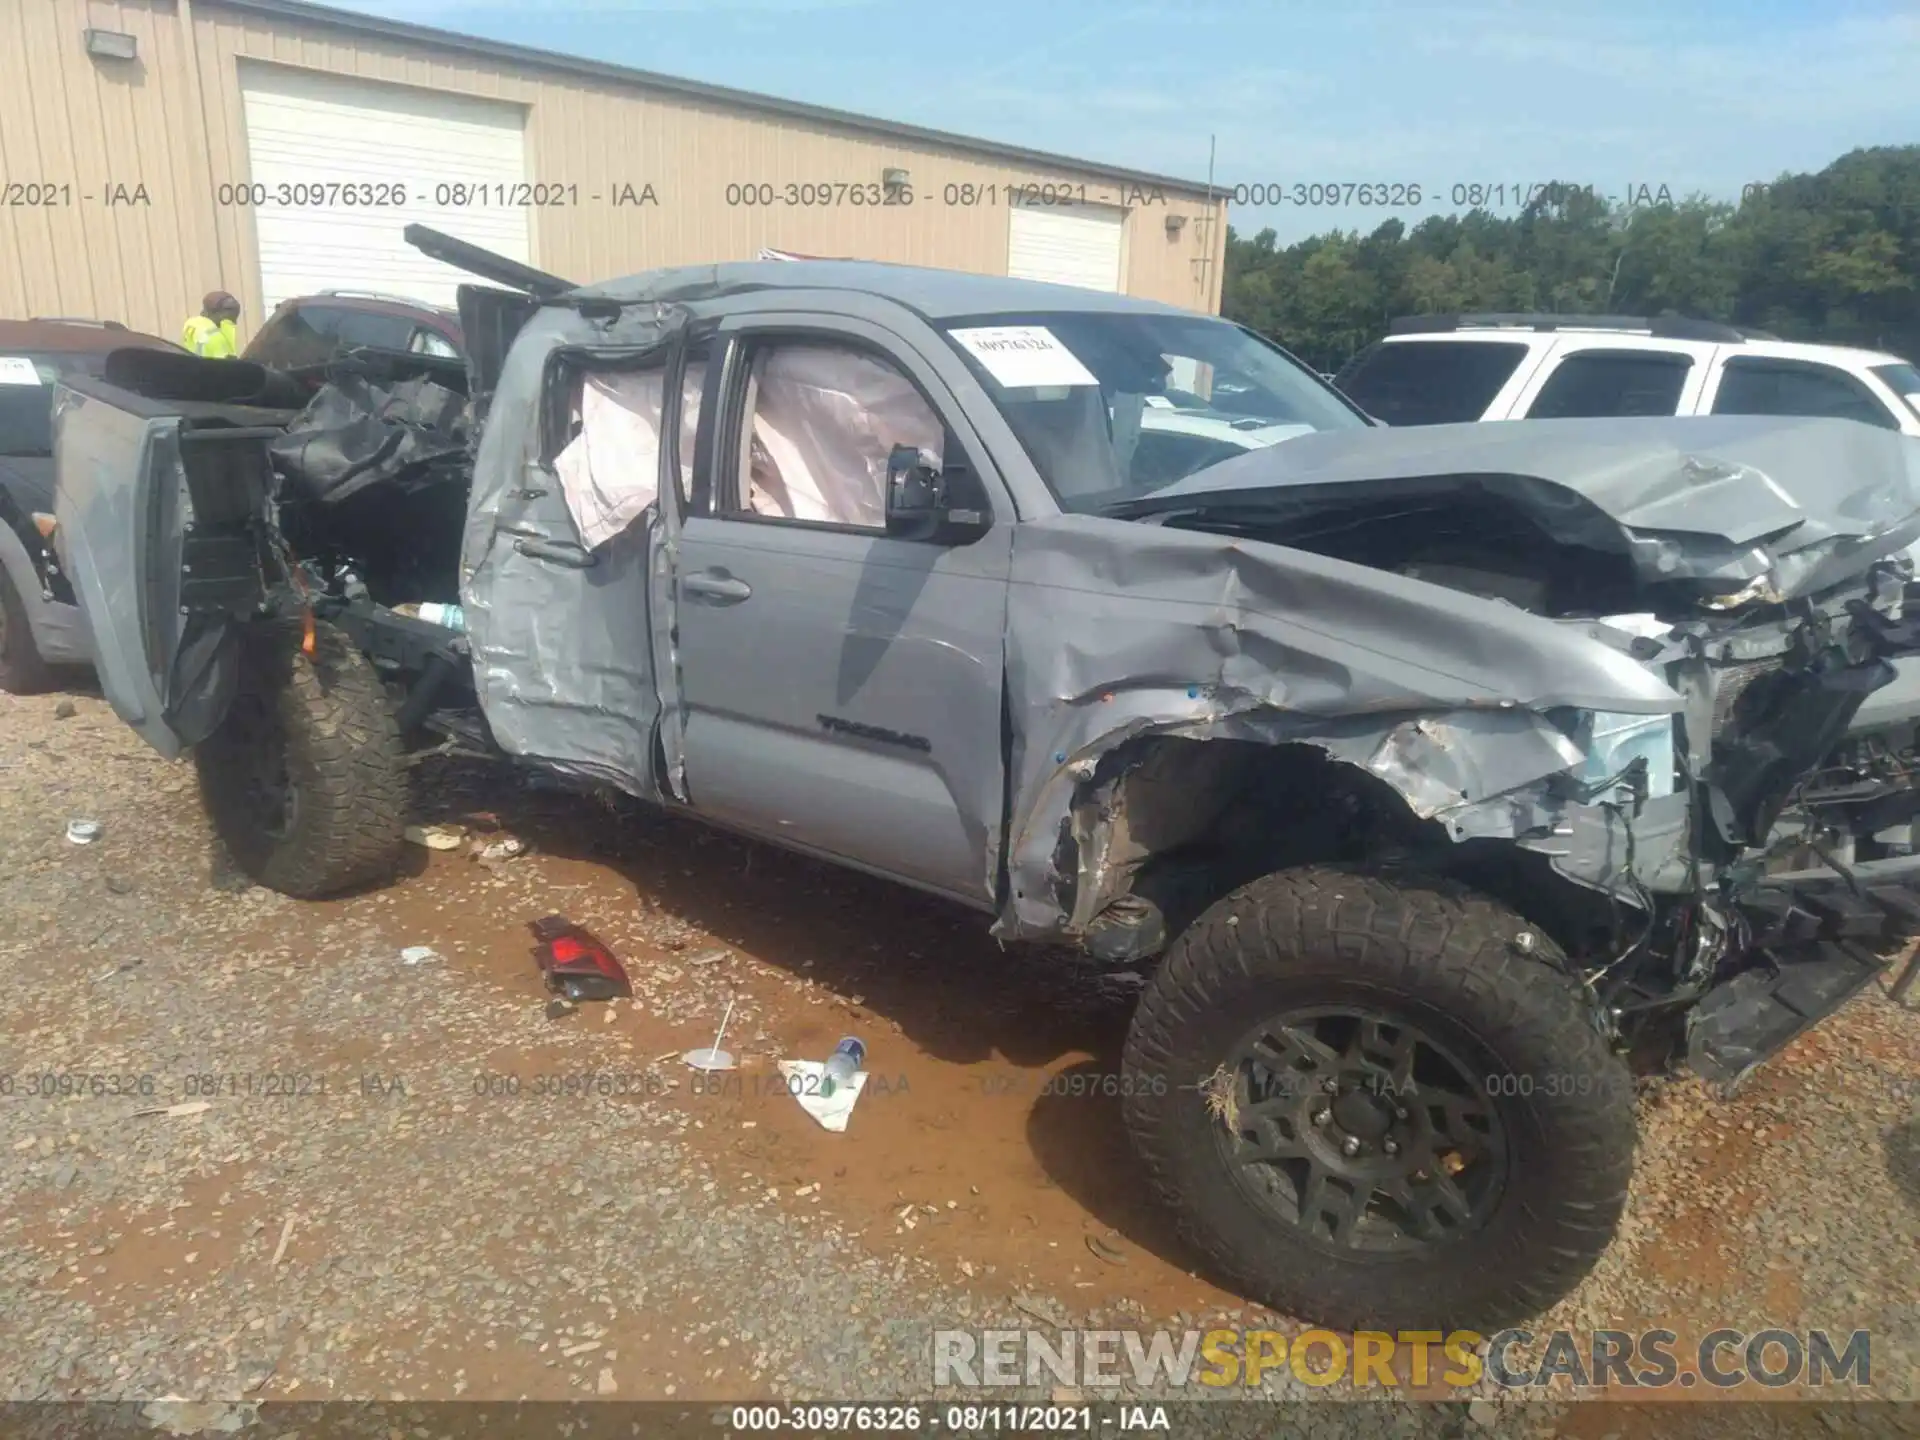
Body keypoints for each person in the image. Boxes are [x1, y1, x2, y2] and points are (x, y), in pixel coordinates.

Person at [181, 291, 241, 358]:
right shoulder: (213, 337)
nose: (235, 323)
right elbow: (224, 365)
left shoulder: (193, 325)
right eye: (230, 320)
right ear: (216, 313)